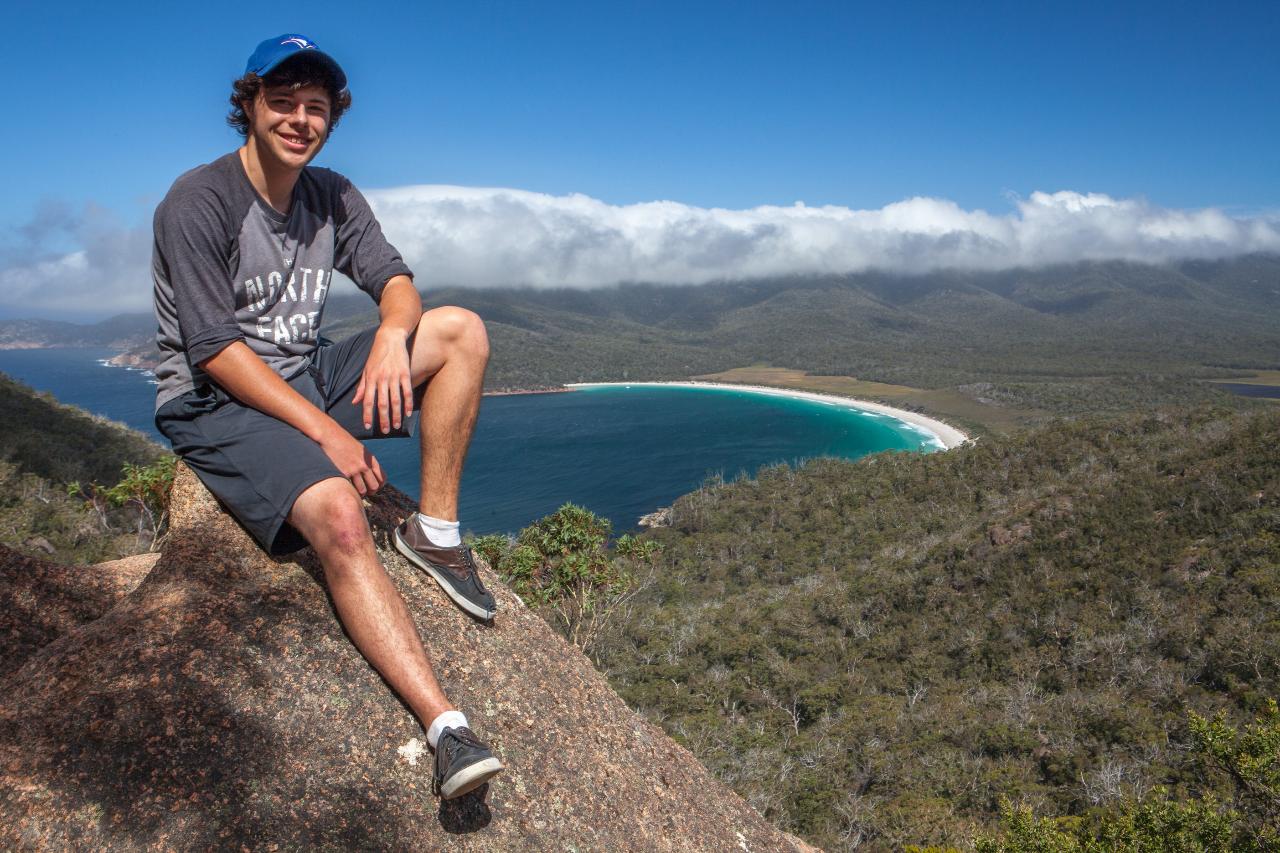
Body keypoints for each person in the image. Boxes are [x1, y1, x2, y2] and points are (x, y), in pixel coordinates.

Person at [150, 33, 503, 800]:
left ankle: (435, 533)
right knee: (341, 514)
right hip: (213, 399)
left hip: (301, 376)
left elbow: (397, 280)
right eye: (283, 102)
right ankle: (448, 728)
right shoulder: (198, 200)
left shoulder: (332, 194)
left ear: (332, 119)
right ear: (248, 105)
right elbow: (212, 348)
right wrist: (327, 430)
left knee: (459, 331)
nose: (300, 119)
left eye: (316, 108)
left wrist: (388, 333)